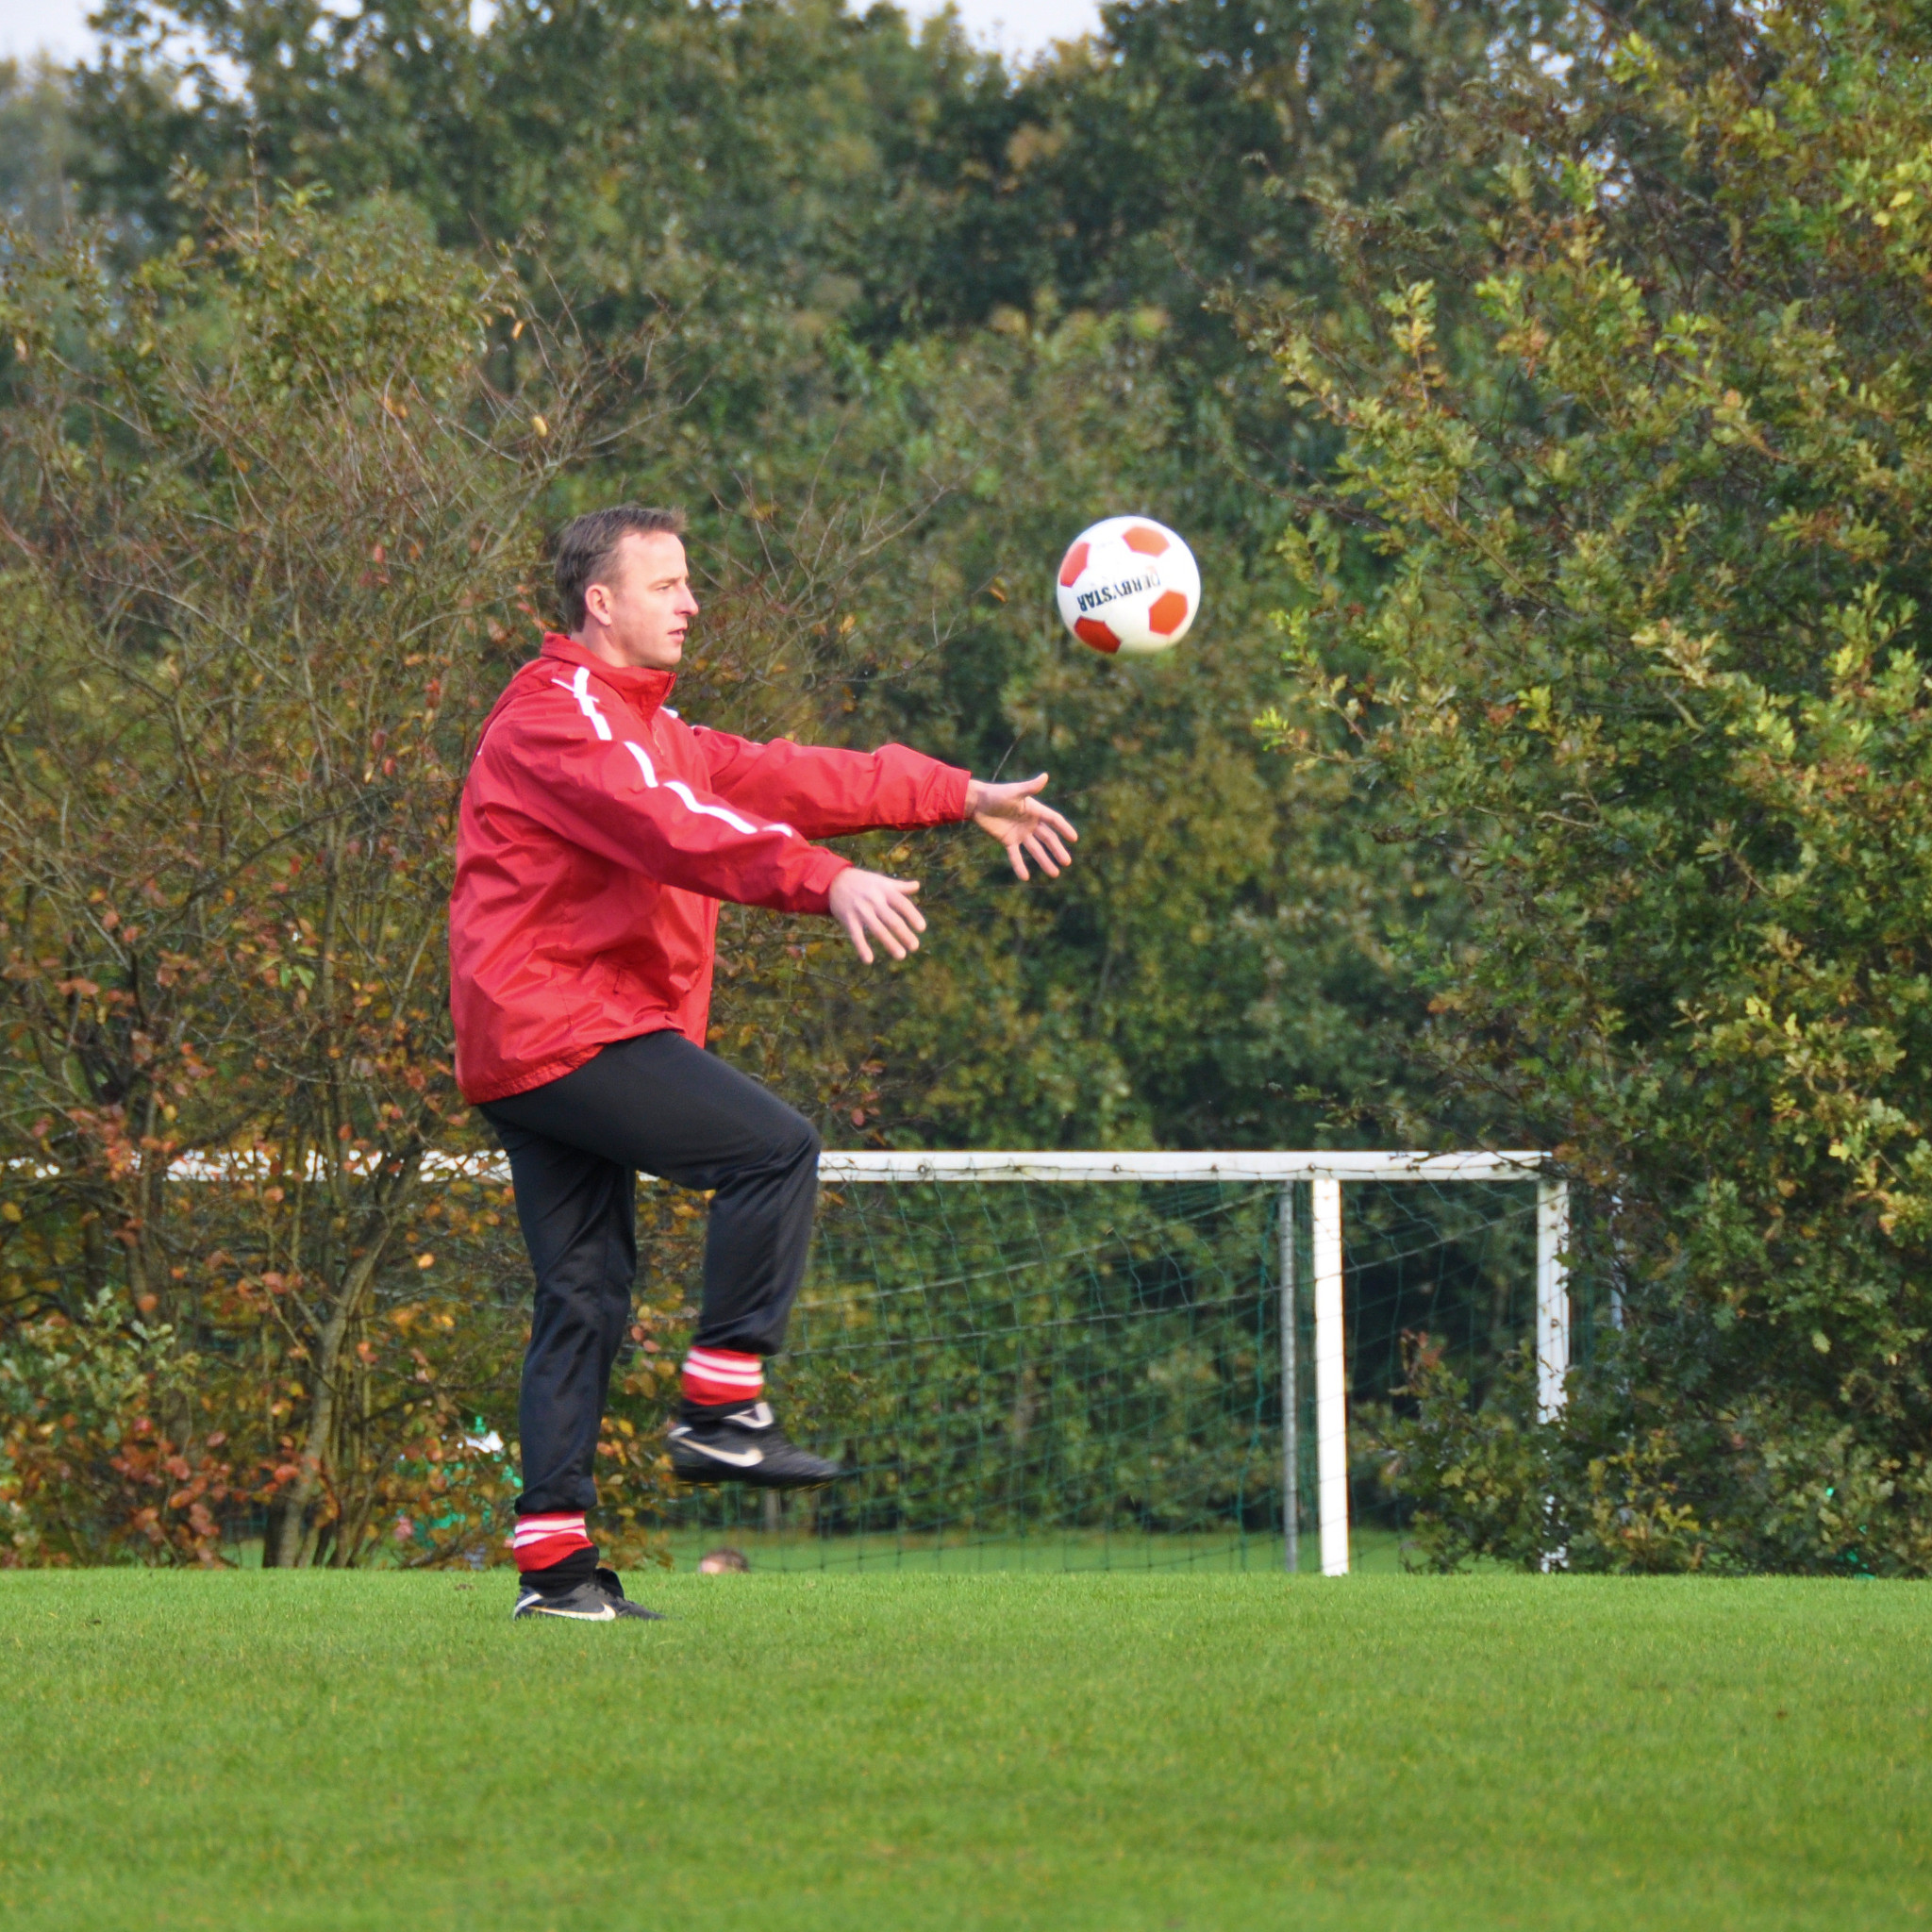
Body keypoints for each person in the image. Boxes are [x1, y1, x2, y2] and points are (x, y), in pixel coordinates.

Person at [449, 505, 1077, 1622]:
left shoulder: (652, 728)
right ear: (600, 601)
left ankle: (556, 1571)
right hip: (562, 1024)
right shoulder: (558, 716)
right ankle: (722, 1406)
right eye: (667, 584)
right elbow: (671, 826)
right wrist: (825, 880)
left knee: (584, 1294)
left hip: (542, 1034)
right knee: (772, 1149)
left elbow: (790, 778)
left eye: (688, 583)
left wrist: (957, 793)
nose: (691, 603)